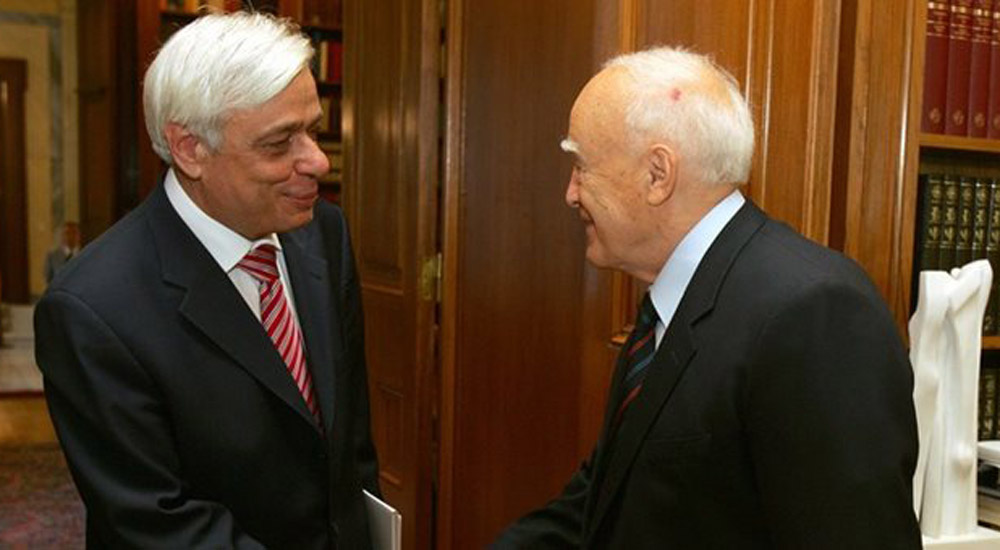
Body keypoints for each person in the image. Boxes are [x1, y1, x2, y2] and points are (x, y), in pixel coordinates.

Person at [494, 47, 921, 548]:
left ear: (658, 175)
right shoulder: (669, 304)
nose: (570, 192)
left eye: (581, 166)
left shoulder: (814, 313)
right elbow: (600, 506)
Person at [34, 12, 380, 549]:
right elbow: (159, 523)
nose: (317, 161)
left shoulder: (323, 232)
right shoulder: (91, 309)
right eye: (279, 143)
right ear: (191, 149)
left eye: (312, 130)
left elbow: (350, 440)